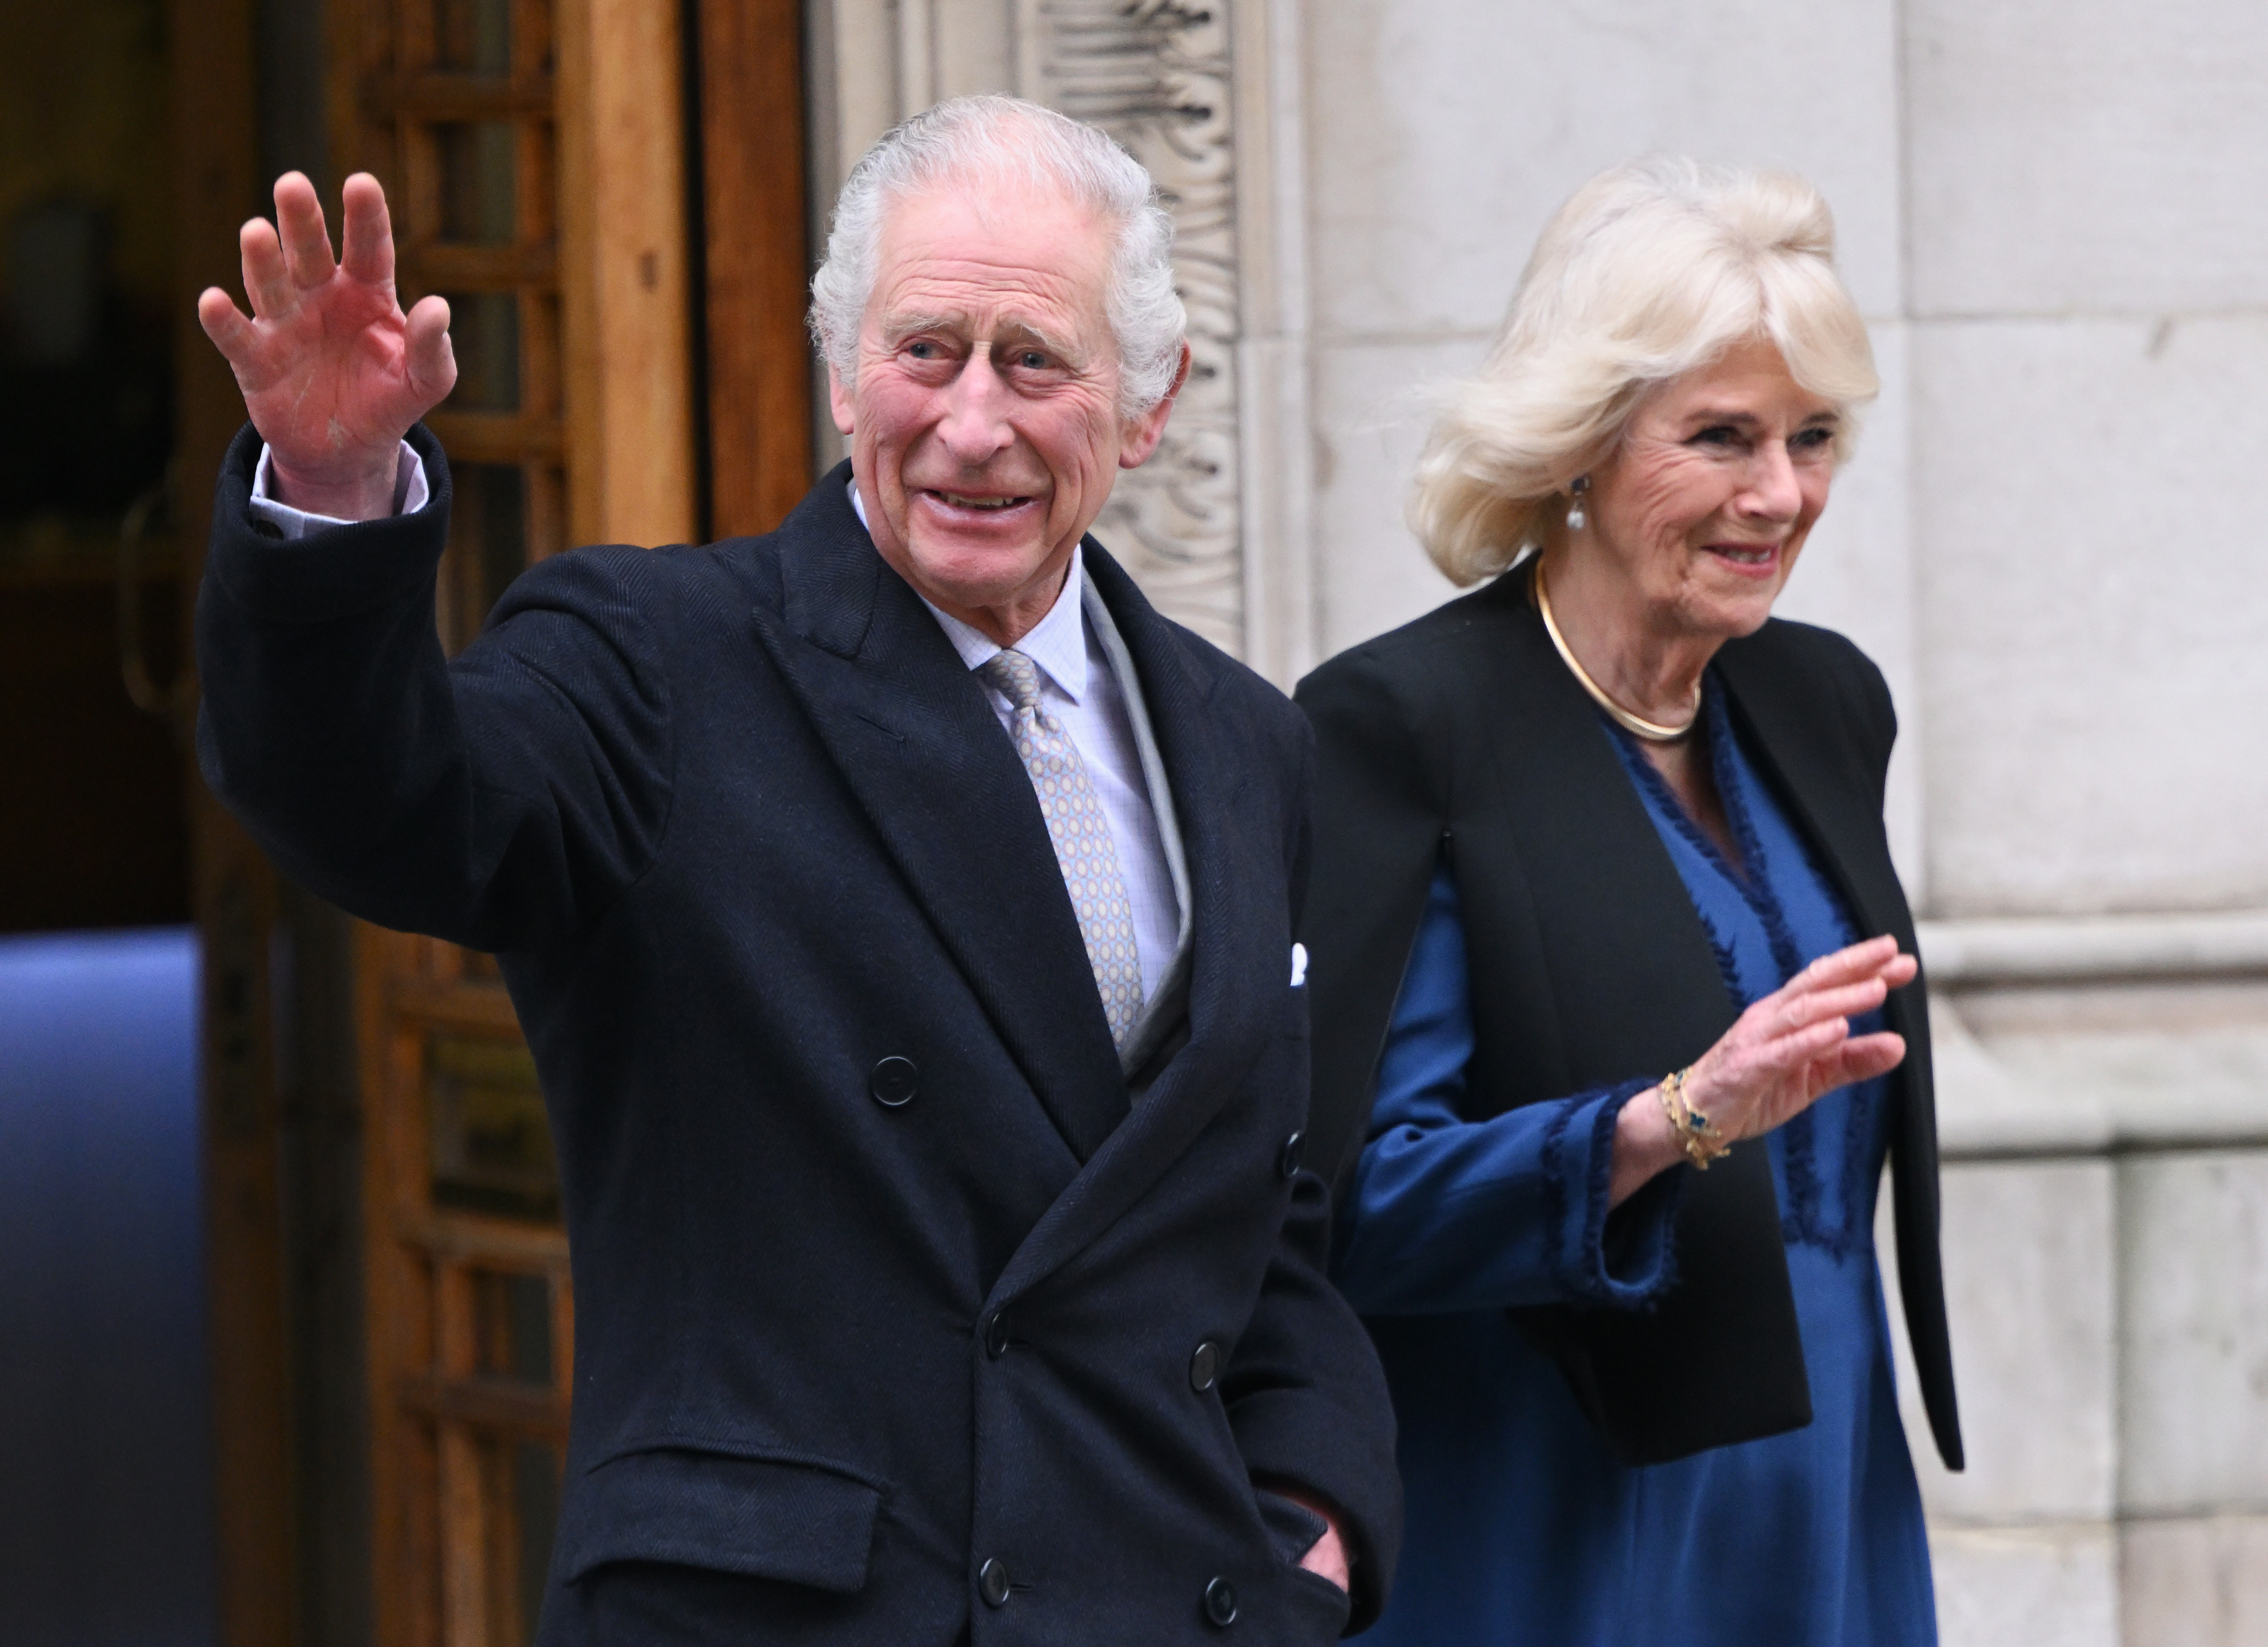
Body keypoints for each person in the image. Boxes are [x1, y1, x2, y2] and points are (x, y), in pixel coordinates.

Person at [194, 95, 1398, 1644]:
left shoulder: (1247, 745)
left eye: (1035, 361)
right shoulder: (657, 663)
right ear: (842, 373)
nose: (974, 424)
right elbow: (382, 797)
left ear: (1149, 399)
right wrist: (334, 498)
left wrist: (1314, 1523)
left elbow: (1264, 1221)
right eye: (925, 352)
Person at [1295, 158, 1962, 1646]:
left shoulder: (1822, 696)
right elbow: (1355, 1205)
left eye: (1812, 438)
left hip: (1825, 1467)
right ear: (1582, 446)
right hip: (1552, 1492)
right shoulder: (1404, 723)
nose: (1778, 494)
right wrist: (1675, 1118)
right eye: (1720, 437)